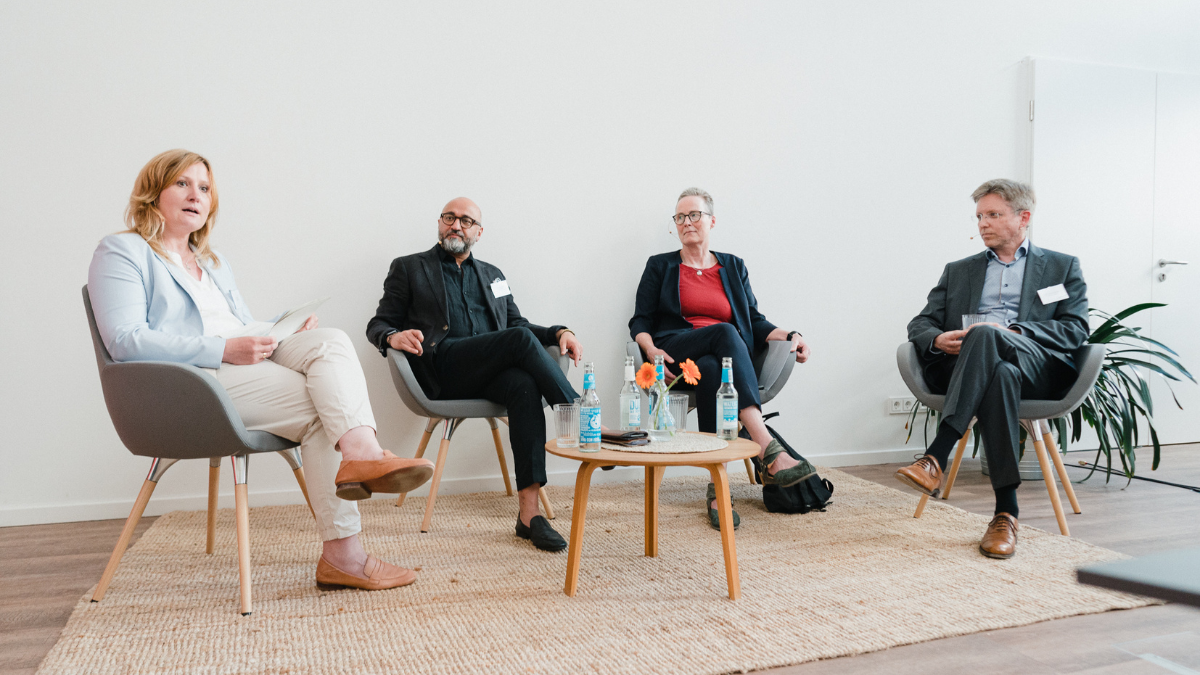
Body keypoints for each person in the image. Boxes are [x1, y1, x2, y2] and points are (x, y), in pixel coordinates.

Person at [88, 149, 434, 591]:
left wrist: (280, 326)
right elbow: (125, 340)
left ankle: (360, 456)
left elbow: (236, 326)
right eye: (182, 183)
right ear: (154, 191)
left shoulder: (212, 262)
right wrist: (222, 350)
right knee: (322, 411)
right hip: (189, 384)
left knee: (330, 341)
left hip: (235, 363)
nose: (196, 195)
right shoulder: (122, 250)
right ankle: (346, 550)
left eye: (205, 188)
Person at [366, 197, 583, 552]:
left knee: (524, 385)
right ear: (439, 223)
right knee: (517, 342)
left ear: (479, 232)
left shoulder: (494, 275)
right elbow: (378, 322)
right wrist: (392, 336)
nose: (456, 225)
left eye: (466, 221)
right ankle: (579, 416)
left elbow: (519, 326)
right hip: (442, 370)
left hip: (486, 372)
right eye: (449, 218)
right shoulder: (409, 268)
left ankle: (530, 516)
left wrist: (559, 332)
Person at [898, 179, 1088, 559]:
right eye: (980, 216)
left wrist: (1013, 331)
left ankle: (936, 454)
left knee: (987, 334)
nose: (983, 223)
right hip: (981, 368)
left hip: (1036, 363)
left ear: (1023, 218)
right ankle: (1006, 513)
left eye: (993, 215)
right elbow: (920, 324)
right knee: (998, 372)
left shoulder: (1061, 266)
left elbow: (1076, 328)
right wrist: (937, 340)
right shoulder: (959, 270)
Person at [629, 187, 815, 530]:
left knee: (717, 366)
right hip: (675, 354)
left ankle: (718, 491)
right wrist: (651, 350)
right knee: (726, 333)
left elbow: (755, 321)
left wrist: (791, 335)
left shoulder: (733, 266)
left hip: (715, 364)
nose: (687, 222)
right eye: (680, 217)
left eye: (694, 215)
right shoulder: (660, 266)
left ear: (712, 221)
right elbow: (640, 321)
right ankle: (766, 446)